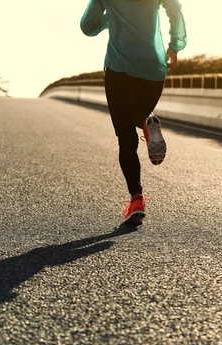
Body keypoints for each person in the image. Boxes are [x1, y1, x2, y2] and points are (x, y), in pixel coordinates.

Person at [80, 0, 187, 225]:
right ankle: (146, 120)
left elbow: (88, 27)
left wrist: (112, 17)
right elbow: (175, 10)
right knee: (138, 115)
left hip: (119, 69)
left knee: (126, 138)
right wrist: (175, 46)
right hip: (153, 68)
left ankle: (136, 200)